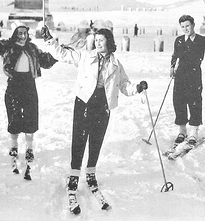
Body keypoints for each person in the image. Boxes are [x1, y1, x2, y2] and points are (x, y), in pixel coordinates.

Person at [40, 25, 147, 214]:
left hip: (103, 106)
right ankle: (73, 179)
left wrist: (137, 88)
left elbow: (124, 85)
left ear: (109, 42)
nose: (97, 43)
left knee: (96, 142)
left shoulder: (116, 64)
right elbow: (62, 54)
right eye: (95, 40)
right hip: (84, 103)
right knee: (79, 142)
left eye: (101, 40)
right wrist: (50, 40)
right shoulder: (84, 56)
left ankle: (90, 174)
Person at [0, 19, 57, 176]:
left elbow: (46, 62)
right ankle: (14, 145)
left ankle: (29, 147)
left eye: (24, 33)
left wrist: (54, 47)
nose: (22, 36)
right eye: (19, 33)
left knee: (30, 114)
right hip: (14, 83)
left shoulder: (32, 48)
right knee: (14, 114)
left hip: (29, 83)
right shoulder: (8, 46)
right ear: (15, 34)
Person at [170, 14, 205, 147]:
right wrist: (172, 68)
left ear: (193, 25)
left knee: (194, 102)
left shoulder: (201, 40)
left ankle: (193, 132)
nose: (185, 29)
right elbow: (175, 56)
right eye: (183, 27)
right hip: (180, 76)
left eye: (187, 26)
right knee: (179, 102)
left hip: (194, 76)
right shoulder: (178, 40)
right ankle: (182, 131)